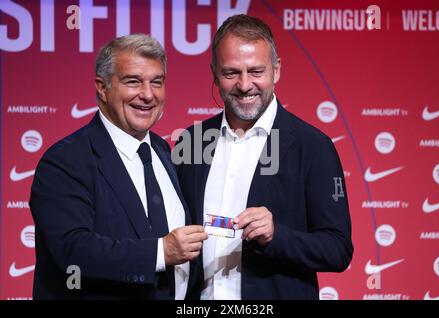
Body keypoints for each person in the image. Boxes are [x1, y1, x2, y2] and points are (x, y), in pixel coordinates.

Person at [175, 15, 353, 299]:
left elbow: (338, 250)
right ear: (214, 72)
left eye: (256, 71)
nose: (245, 85)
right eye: (231, 73)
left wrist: (276, 235)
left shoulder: (312, 146)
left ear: (276, 69)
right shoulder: (191, 141)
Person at [29, 34, 208, 299]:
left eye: (156, 82)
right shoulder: (65, 160)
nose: (147, 94)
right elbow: (72, 251)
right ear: (102, 88)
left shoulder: (162, 150)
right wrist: (161, 252)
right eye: (133, 81)